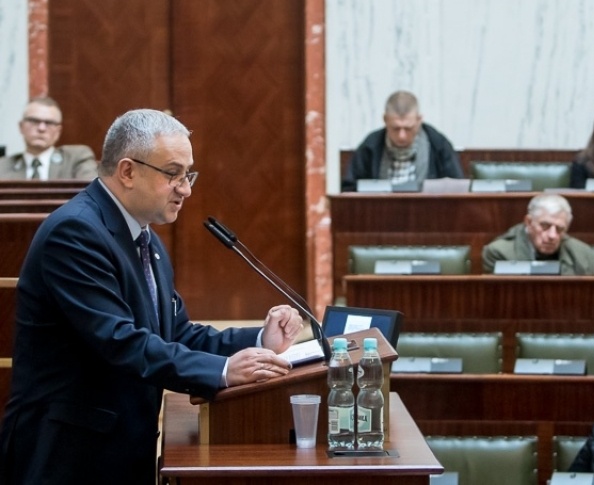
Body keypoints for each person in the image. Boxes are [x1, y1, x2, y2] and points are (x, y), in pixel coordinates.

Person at [0, 109, 305, 484]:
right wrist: (223, 371)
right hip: (66, 455)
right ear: (128, 171)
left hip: (120, 448)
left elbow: (175, 333)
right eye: (173, 173)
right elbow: (119, 341)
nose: (186, 189)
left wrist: (259, 341)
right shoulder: (75, 233)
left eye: (188, 174)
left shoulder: (146, 239)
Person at [341, 90, 463, 191]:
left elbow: (457, 189)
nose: (402, 136)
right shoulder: (370, 147)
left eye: (408, 129)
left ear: (419, 120)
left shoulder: (438, 145)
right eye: (395, 128)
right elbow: (349, 190)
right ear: (385, 120)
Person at [481, 193, 594, 275]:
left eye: (559, 229)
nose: (552, 235)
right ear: (529, 222)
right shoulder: (499, 252)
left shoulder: (582, 252)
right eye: (545, 226)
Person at [0, 96, 98, 180]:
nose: (41, 128)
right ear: (21, 127)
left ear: (58, 131)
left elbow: (91, 193)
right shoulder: (2, 166)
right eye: (34, 121)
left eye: (49, 123)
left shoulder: (75, 159)